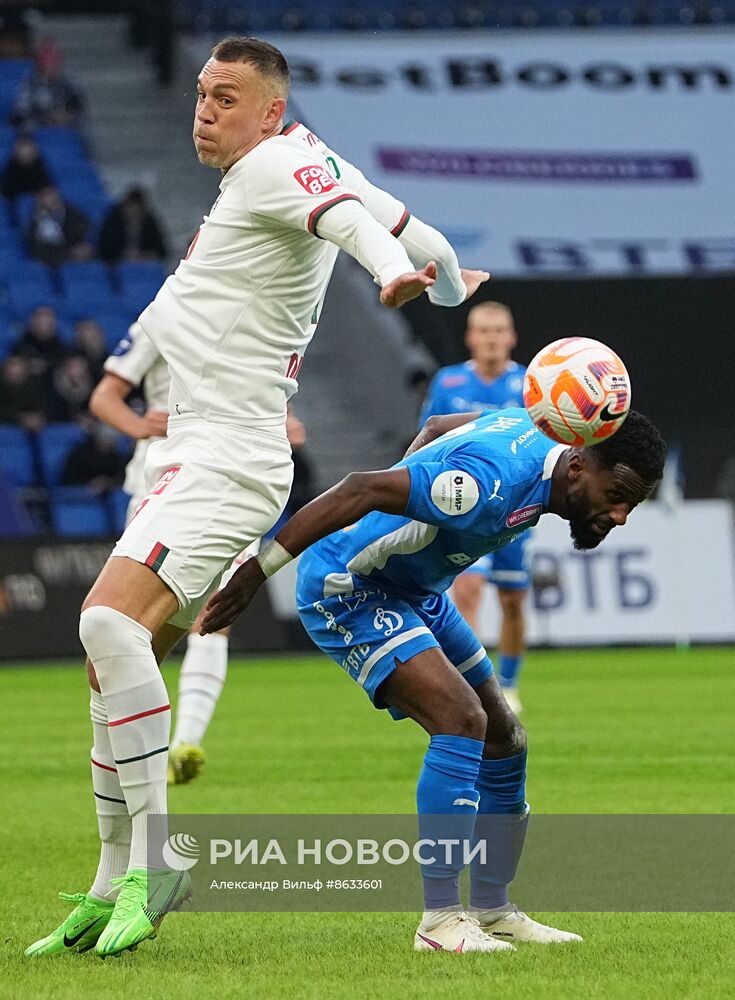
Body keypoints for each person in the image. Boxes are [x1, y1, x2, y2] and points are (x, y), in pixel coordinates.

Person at [26, 35, 489, 960]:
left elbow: (357, 229)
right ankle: (110, 878)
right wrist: (442, 276)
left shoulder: (275, 164)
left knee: (108, 631)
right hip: (198, 448)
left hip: (226, 452)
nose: (205, 110)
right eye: (200, 93)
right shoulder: (302, 158)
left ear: (269, 111)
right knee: (111, 660)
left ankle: (154, 862)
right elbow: (408, 227)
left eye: (225, 97)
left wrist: (392, 276)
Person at [200, 406, 666, 953]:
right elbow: (359, 489)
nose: (622, 515)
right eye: (619, 495)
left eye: (632, 504)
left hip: (418, 594)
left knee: (504, 738)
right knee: (460, 719)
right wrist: (256, 572)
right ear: (579, 467)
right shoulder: (483, 487)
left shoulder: (538, 430)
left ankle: (493, 910)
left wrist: (416, 483)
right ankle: (440, 921)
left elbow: (445, 425)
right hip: (348, 588)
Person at [88, 321, 309, 785]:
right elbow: (105, 396)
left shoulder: (254, 322)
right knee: (132, 633)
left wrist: (281, 423)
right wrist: (141, 427)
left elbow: (268, 396)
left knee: (215, 616)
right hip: (161, 485)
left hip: (228, 478)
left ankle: (186, 741)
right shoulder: (162, 318)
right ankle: (130, 749)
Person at [419, 301, 529, 712]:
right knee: (467, 591)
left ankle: (510, 682)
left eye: (499, 331)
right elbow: (427, 439)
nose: (492, 338)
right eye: (484, 331)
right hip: (464, 507)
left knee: (513, 600)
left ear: (512, 338)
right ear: (470, 338)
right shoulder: (448, 384)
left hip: (518, 508)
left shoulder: (529, 385)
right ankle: (473, 687)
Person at [25, 186, 94, 267]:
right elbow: (38, 250)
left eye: (52, 193)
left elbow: (87, 230)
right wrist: (69, 253)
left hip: (82, 254)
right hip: (56, 262)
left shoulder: (73, 212)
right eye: (46, 195)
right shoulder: (36, 222)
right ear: (40, 200)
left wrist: (84, 247)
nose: (52, 198)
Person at [98, 187, 168, 264]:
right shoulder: (113, 222)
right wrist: (123, 255)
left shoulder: (149, 222)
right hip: (118, 265)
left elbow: (161, 250)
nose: (134, 212)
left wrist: (147, 255)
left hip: (143, 264)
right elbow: (106, 249)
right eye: (131, 208)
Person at [0, 134, 52, 203]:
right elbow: (6, 190)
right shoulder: (10, 167)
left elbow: (46, 188)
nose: (25, 151)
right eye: (22, 146)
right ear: (15, 149)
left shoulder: (41, 167)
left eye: (28, 146)